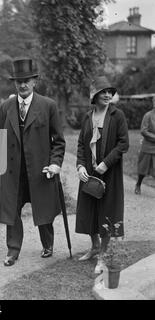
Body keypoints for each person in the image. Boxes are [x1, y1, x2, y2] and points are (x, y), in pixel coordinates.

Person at [0, 57, 66, 267]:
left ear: (35, 81)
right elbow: (0, 139)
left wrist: (55, 163)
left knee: (43, 209)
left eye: (27, 80)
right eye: (18, 81)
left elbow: (59, 141)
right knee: (12, 212)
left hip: (40, 170)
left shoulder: (48, 106)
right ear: (14, 84)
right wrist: (0, 167)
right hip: (13, 171)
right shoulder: (5, 107)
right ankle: (13, 250)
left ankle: (48, 244)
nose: (23, 85)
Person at [75, 76, 129, 273]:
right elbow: (81, 144)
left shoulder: (117, 115)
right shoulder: (87, 117)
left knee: (107, 212)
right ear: (94, 95)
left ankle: (103, 256)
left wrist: (106, 164)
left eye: (110, 92)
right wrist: (80, 166)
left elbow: (124, 143)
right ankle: (95, 247)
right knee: (90, 210)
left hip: (109, 173)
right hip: (89, 172)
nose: (108, 95)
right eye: (103, 91)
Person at [135, 96, 155, 195]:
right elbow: (143, 130)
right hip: (147, 147)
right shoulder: (148, 115)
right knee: (142, 170)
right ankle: (138, 184)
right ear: (153, 103)